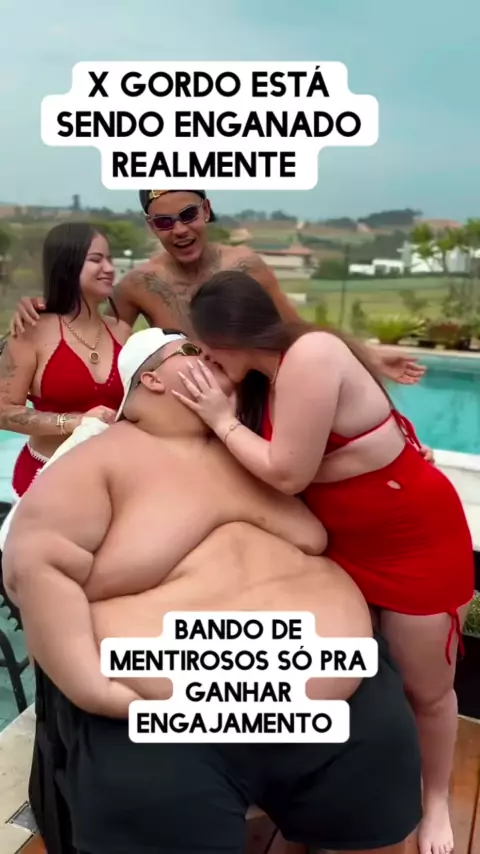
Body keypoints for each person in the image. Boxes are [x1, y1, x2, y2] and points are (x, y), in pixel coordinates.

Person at [3, 328, 423, 854]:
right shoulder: (101, 459)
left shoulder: (258, 449)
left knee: (381, 812)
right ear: (151, 379)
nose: (212, 357)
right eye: (191, 351)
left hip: (339, 696)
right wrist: (93, 688)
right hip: (169, 720)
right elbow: (36, 564)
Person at [172, 271, 475, 854]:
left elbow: (287, 473)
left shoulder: (310, 356)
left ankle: (436, 800)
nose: (205, 360)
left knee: (426, 689)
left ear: (229, 333)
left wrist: (220, 418)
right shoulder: (266, 379)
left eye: (206, 347)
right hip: (345, 550)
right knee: (358, 681)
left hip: (411, 542)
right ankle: (333, 797)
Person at [8, 189, 427, 388]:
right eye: (164, 222)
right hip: (187, 408)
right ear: (152, 227)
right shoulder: (139, 285)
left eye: (188, 215)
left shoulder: (245, 265)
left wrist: (369, 355)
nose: (179, 230)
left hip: (252, 399)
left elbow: (296, 329)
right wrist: (46, 308)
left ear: (206, 211)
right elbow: (96, 333)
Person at [0, 222, 131, 496]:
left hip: (113, 480)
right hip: (46, 478)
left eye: (109, 259)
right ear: (67, 264)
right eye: (96, 259)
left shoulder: (122, 332)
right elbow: (3, 411)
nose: (109, 268)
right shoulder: (31, 331)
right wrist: (75, 422)